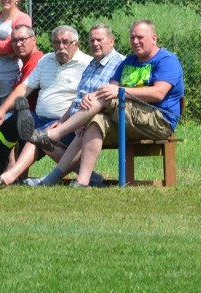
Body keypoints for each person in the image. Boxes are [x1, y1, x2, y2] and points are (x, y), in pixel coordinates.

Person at [27, 20, 183, 188]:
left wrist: (119, 92)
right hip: (129, 118)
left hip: (158, 120)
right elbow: (111, 88)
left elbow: (158, 93)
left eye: (140, 37)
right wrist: (90, 97)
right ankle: (80, 181)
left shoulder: (166, 60)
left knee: (106, 100)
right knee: (96, 121)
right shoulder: (129, 61)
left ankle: (55, 135)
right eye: (132, 37)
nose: (135, 41)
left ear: (154, 38)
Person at [19, 24, 126, 187]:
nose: (95, 43)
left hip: (98, 121)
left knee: (47, 136)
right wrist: (62, 121)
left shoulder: (120, 63)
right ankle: (88, 178)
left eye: (99, 39)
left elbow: (112, 96)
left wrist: (84, 117)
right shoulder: (92, 64)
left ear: (111, 41)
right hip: (75, 121)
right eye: (92, 40)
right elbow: (78, 99)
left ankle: (50, 179)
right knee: (41, 137)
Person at [0, 25, 92, 185]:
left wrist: (64, 121)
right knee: (7, 122)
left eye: (65, 42)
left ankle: (10, 176)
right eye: (56, 42)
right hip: (39, 117)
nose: (60, 47)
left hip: (65, 122)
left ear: (76, 44)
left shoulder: (87, 64)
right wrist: (1, 110)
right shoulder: (46, 60)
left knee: (36, 136)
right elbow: (24, 87)